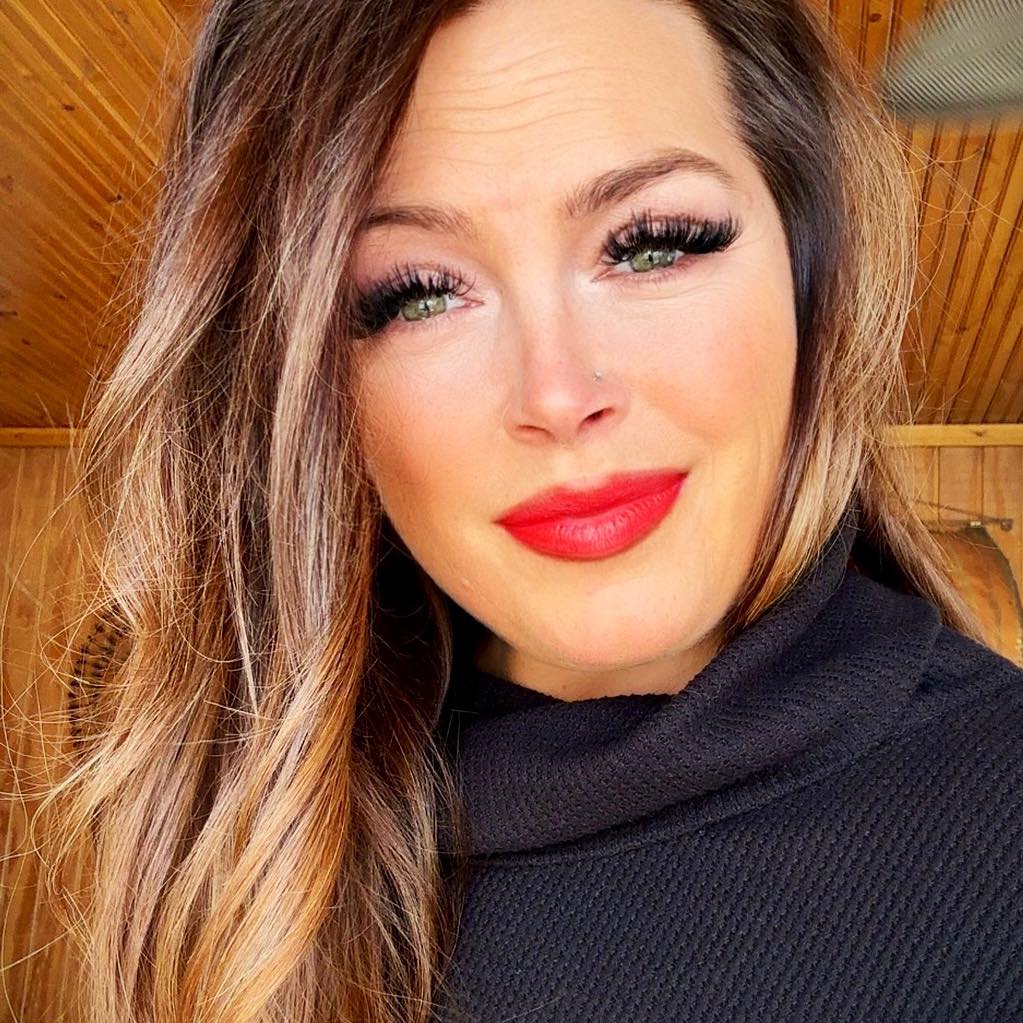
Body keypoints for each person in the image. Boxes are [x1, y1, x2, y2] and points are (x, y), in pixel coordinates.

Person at [37, 0, 1022, 1021]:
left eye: (651, 243)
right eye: (416, 292)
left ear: (810, 271)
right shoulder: (241, 867)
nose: (556, 393)